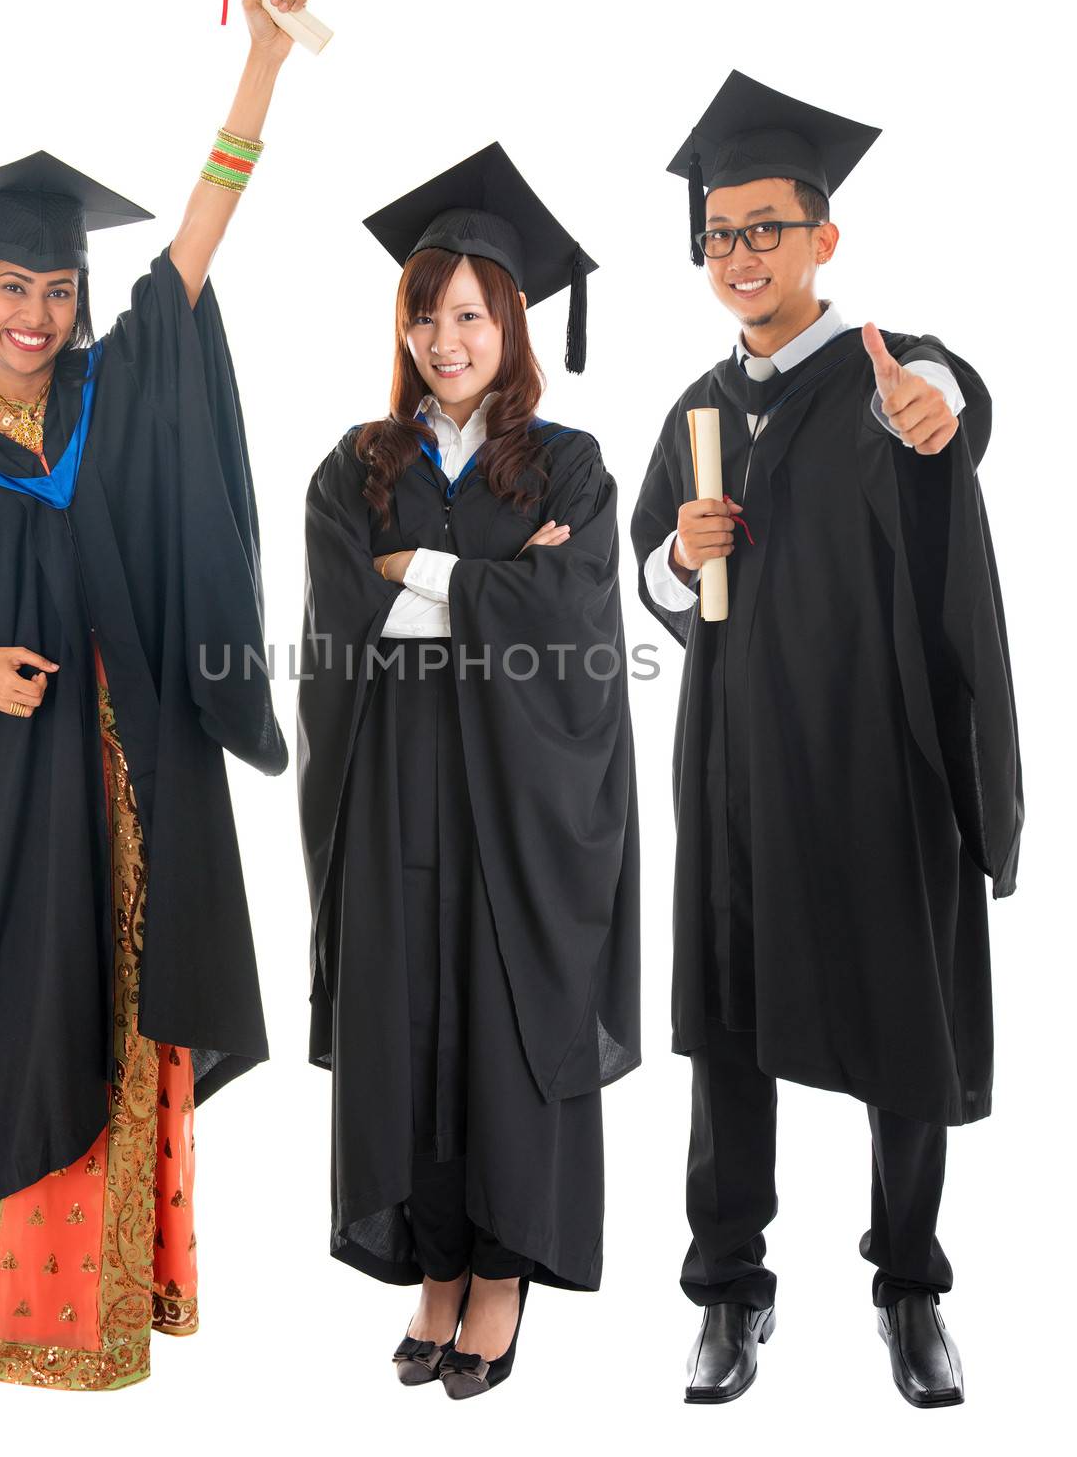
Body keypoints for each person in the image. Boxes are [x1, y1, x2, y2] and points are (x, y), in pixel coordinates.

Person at [0, 0, 307, 1390]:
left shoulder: (112, 395)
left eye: (57, 288)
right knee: (8, 1023)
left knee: (123, 1014)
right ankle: (1, 1298)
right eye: (13, 287)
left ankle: (117, 1297)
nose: (37, 314)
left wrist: (264, 62)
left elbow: (199, 239)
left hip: (129, 780)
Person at [630, 71, 1022, 1408]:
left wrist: (940, 395)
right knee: (726, 1034)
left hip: (874, 769)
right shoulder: (693, 407)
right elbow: (650, 583)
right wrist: (677, 559)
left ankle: (910, 1289)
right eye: (718, 235)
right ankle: (728, 1291)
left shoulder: (879, 373)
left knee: (900, 1021)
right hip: (735, 777)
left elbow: (941, 403)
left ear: (822, 242)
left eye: (764, 229)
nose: (738, 256)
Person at [297, 143, 640, 1399]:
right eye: (426, 314)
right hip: (392, 792)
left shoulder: (572, 464)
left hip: (521, 803)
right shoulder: (359, 464)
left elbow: (574, 621)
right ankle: (433, 1267)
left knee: (502, 1017)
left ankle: (499, 1275)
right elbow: (344, 618)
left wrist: (424, 577)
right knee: (410, 1015)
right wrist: (501, 586)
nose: (447, 340)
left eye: (470, 314)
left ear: (513, 323)